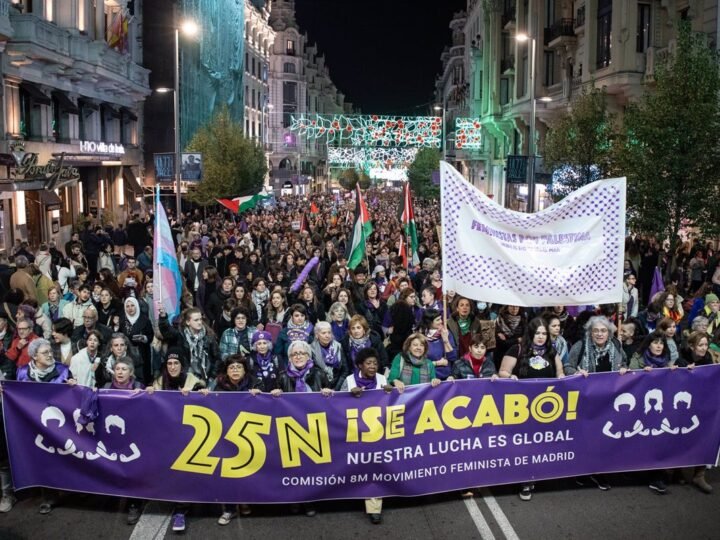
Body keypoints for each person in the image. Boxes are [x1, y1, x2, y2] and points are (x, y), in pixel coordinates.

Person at [499, 318, 565, 501]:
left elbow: (560, 372)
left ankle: (537, 474)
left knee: (540, 444)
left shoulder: (552, 351)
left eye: (544, 333)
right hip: (521, 408)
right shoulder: (517, 349)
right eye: (538, 333)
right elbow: (502, 372)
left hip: (545, 407)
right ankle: (524, 480)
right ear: (531, 334)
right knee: (525, 446)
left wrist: (561, 377)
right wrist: (510, 377)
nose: (541, 337)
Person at [339, 347, 393, 524]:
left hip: (377, 435)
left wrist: (390, 392)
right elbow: (335, 404)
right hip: (354, 434)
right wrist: (348, 395)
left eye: (375, 363)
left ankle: (374, 507)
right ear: (360, 365)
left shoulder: (382, 379)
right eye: (369, 363)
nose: (373, 367)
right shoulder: (349, 380)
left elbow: (391, 403)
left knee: (374, 470)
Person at [677, 331, 716, 494]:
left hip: (702, 405)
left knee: (704, 436)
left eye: (706, 345)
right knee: (679, 437)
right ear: (692, 346)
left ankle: (699, 474)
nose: (704, 348)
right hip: (683, 406)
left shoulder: (709, 360)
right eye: (700, 345)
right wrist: (682, 371)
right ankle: (675, 470)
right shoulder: (681, 359)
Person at [158, 307, 221, 386]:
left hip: (206, 378)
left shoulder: (209, 337)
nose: (200, 322)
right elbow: (167, 331)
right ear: (188, 322)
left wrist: (212, 376)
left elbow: (217, 359)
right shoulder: (180, 335)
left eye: (200, 319)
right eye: (196, 320)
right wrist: (163, 317)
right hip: (186, 378)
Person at [417, 308, 457, 380]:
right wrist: (438, 363)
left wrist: (445, 340)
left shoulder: (446, 333)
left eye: (441, 319)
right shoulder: (420, 337)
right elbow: (418, 362)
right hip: (428, 376)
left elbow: (453, 357)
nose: (441, 321)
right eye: (438, 320)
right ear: (429, 322)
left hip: (447, 376)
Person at [274, 304, 314, 369]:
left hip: (307, 368)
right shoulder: (284, 332)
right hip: (288, 367)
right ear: (291, 316)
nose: (300, 318)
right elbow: (277, 353)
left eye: (302, 315)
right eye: (296, 316)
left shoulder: (311, 330)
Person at [310, 321, 348, 390]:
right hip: (320, 389)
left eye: (329, 332)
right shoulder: (311, 349)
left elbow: (345, 371)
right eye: (323, 333)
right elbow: (312, 373)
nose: (327, 336)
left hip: (337, 388)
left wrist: (336, 389)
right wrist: (324, 389)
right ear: (316, 335)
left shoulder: (338, 346)